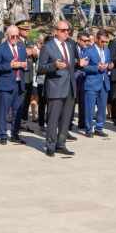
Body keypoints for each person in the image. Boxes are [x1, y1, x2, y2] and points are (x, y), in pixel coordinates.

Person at [37, 21, 86, 157]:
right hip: (55, 86)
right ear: (55, 31)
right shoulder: (48, 46)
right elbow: (40, 68)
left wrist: (79, 64)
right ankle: (50, 145)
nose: (66, 33)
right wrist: (54, 65)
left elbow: (70, 65)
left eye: (68, 30)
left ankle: (61, 144)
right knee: (53, 118)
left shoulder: (70, 45)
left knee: (66, 118)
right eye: (63, 30)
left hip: (70, 86)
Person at [0, 25, 30, 146]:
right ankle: (3, 135)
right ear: (7, 35)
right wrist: (10, 66)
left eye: (17, 36)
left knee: (17, 112)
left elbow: (27, 65)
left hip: (19, 84)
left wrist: (25, 66)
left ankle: (15, 134)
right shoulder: (0, 48)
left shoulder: (21, 48)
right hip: (5, 85)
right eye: (13, 36)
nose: (15, 38)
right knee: (3, 111)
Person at [82, 30, 112, 138]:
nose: (104, 43)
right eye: (102, 41)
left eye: (106, 42)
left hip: (104, 82)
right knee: (90, 107)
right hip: (92, 82)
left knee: (102, 107)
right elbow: (83, 67)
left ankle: (99, 128)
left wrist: (109, 67)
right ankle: (88, 129)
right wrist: (96, 68)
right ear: (97, 39)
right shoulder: (88, 50)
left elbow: (107, 63)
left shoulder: (107, 51)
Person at [15, 20, 37, 134]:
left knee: (27, 101)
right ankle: (16, 124)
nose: (26, 31)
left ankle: (23, 123)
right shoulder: (16, 42)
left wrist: (35, 54)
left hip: (29, 77)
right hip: (20, 76)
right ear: (18, 30)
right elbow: (14, 57)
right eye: (24, 29)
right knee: (19, 101)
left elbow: (34, 60)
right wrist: (25, 53)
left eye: (28, 29)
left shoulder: (30, 42)